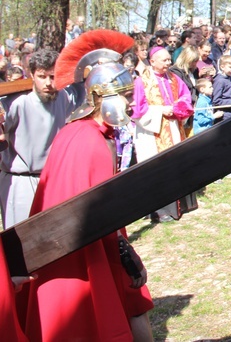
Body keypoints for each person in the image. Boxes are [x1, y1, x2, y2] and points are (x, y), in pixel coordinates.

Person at [20, 34, 154, 340]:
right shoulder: (91, 142)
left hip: (74, 245)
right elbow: (99, 215)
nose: (132, 102)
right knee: (104, 314)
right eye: (126, 96)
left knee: (132, 306)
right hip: (83, 251)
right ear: (105, 96)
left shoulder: (76, 130)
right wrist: (125, 254)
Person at [0, 49, 84, 228]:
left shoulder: (63, 97)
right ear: (31, 75)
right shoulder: (16, 103)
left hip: (52, 178)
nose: (48, 83)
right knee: (21, 239)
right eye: (41, 76)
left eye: (52, 76)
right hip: (20, 180)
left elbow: (79, 89)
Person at [131, 46, 196, 223]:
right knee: (157, 167)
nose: (168, 63)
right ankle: (159, 210)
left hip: (174, 127)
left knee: (176, 163)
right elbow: (137, 109)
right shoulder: (141, 82)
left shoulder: (174, 79)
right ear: (152, 61)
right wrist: (160, 111)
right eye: (164, 60)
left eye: (169, 60)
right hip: (152, 132)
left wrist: (177, 108)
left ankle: (181, 204)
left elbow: (185, 98)